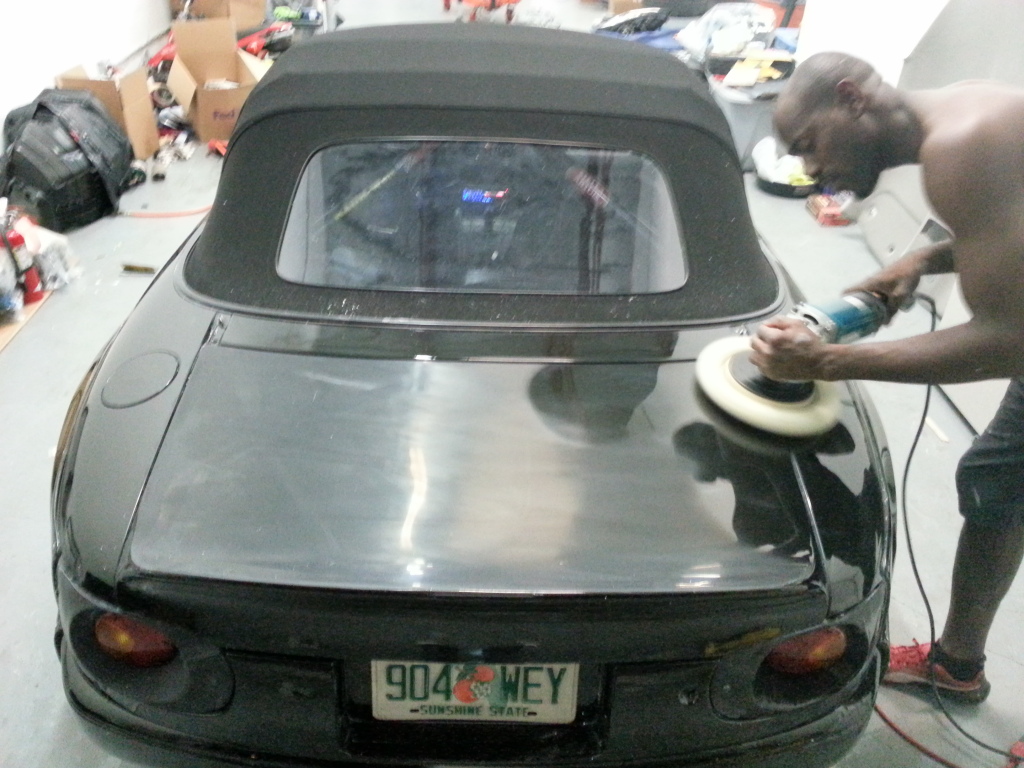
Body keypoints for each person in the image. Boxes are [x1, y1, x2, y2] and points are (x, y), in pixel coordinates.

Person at [750, 51, 1024, 703]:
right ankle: (957, 665)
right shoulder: (966, 109)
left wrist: (824, 362)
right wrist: (924, 259)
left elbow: (1008, 342)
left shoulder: (961, 146)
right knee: (998, 482)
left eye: (809, 145)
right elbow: (1007, 232)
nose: (811, 171)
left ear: (851, 98)